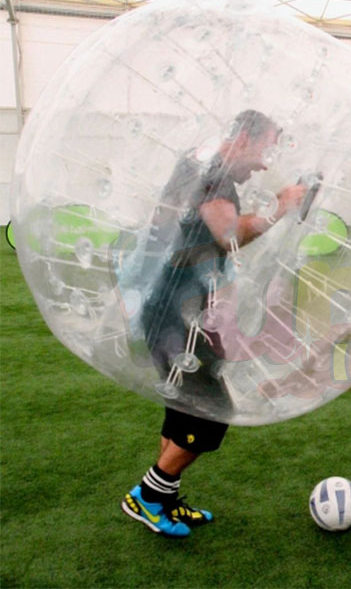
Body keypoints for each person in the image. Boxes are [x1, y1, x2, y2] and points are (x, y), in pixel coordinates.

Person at [120, 110, 307, 537]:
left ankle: (164, 499)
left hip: (173, 307)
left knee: (184, 406)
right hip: (173, 312)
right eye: (265, 149)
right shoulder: (213, 175)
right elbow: (228, 234)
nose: (264, 163)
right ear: (243, 137)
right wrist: (282, 205)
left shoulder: (199, 165)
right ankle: (148, 496)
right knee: (211, 412)